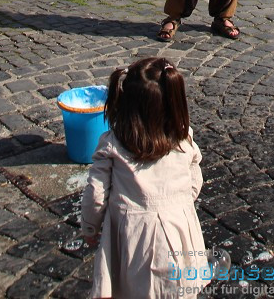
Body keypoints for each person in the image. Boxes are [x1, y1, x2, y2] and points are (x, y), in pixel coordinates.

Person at [81, 56, 208, 299]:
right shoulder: (184, 138)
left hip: (133, 238)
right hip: (180, 232)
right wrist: (180, 204)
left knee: (136, 290)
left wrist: (90, 227)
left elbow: (95, 195)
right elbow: (194, 181)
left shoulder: (113, 144)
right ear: (175, 103)